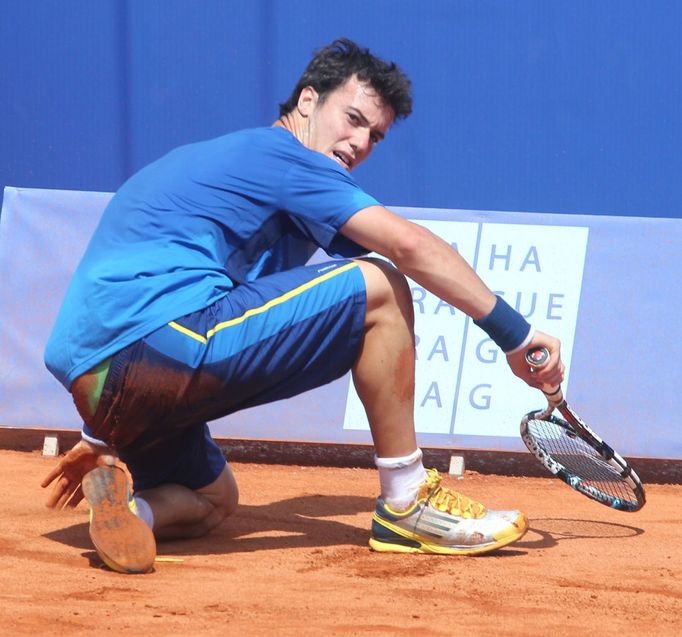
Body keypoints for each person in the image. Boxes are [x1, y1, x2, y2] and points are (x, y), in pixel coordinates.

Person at [41, 38, 564, 573]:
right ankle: (407, 503)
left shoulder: (237, 168)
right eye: (353, 118)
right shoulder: (285, 158)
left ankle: (129, 509)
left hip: (103, 378)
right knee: (379, 285)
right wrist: (516, 336)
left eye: (375, 135)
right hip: (158, 343)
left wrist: (102, 429)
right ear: (308, 102)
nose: (359, 142)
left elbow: (127, 308)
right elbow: (409, 248)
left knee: (214, 501)